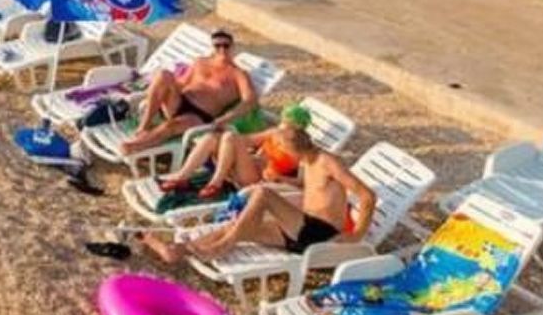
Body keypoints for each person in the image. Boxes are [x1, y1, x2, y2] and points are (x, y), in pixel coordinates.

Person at [146, 108, 374, 266]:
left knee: (262, 193)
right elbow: (310, 191)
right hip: (300, 232)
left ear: (295, 150)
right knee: (239, 226)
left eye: (286, 151)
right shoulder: (308, 160)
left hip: (321, 232)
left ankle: (223, 246)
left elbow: (367, 196)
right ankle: (177, 250)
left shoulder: (329, 163)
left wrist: (357, 235)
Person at [118, 28, 263, 154]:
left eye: (226, 45)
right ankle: (143, 127)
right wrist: (160, 91)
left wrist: (225, 119)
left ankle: (136, 146)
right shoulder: (200, 62)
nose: (222, 49)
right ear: (212, 47)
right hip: (179, 101)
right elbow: (181, 83)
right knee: (164, 74)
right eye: (218, 45)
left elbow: (249, 101)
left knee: (170, 126)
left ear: (232, 47)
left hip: (199, 115)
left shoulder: (238, 74)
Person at [152, 104, 315, 207]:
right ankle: (182, 177)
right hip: (245, 165)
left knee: (230, 137)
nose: (281, 127)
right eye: (282, 122)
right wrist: (221, 138)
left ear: (298, 129)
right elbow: (247, 140)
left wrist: (279, 179)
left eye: (286, 125)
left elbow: (302, 181)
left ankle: (216, 181)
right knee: (212, 138)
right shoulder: (274, 133)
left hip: (256, 179)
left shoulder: (303, 150)